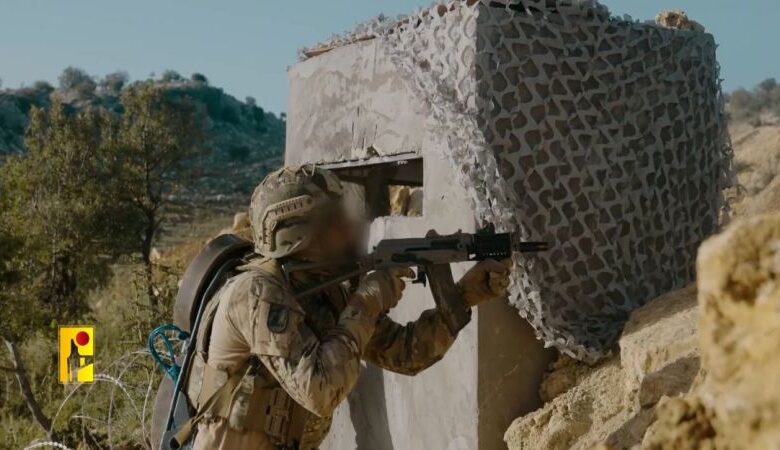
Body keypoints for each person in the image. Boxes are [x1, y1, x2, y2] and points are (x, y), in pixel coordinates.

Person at [184, 165, 511, 450]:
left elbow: (405, 353)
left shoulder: (328, 292)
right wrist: (367, 301)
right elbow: (320, 391)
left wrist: (463, 296)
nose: (348, 229)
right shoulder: (255, 293)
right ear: (298, 235)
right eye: (333, 222)